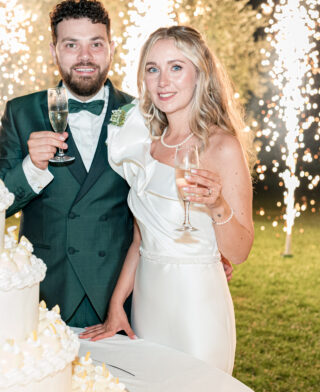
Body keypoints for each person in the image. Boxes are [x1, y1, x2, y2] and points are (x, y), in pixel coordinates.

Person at [80, 26, 254, 374]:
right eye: (152, 69)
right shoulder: (145, 145)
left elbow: (239, 252)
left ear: (199, 73)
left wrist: (217, 205)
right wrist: (117, 305)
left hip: (196, 306)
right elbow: (140, 241)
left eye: (176, 67)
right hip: (147, 303)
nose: (162, 81)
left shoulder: (222, 146)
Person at [0, 0, 135, 328]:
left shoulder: (138, 114)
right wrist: (32, 167)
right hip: (48, 291)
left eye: (96, 44)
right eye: (71, 45)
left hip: (117, 295)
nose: (85, 57)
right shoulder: (21, 112)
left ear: (111, 49)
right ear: (54, 51)